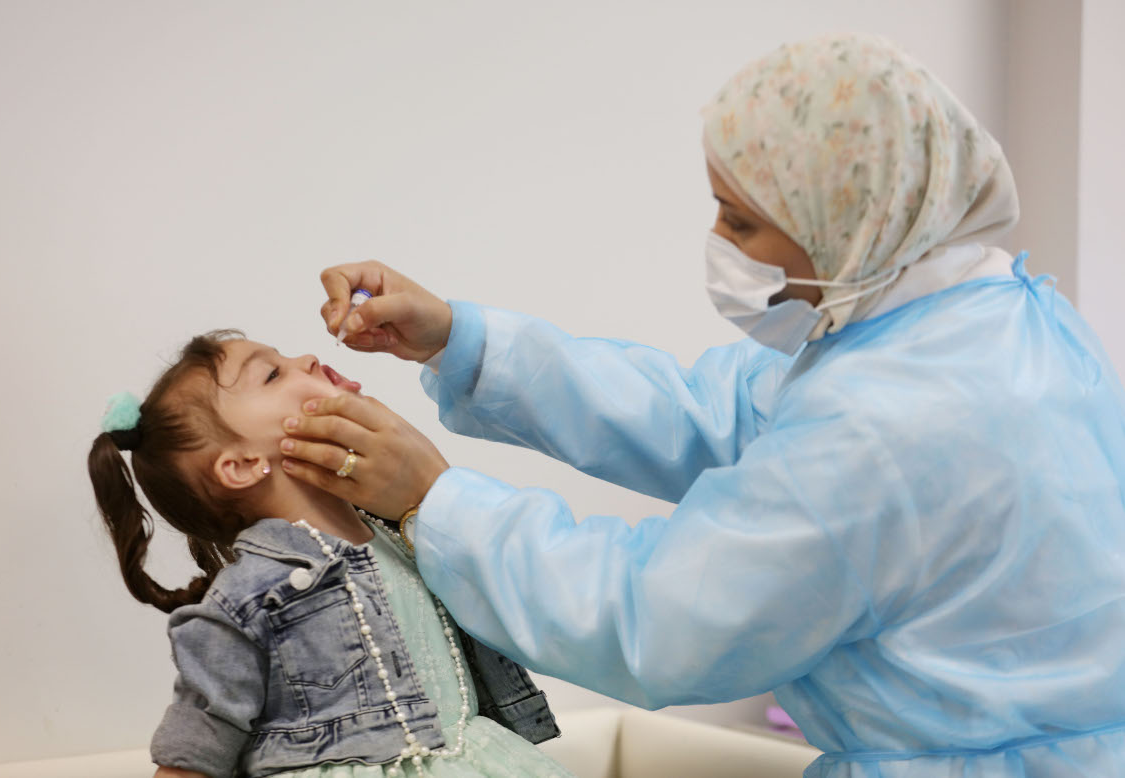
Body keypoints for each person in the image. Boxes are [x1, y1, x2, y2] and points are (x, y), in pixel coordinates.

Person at [279, 33, 1125, 777]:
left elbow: (658, 620)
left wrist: (435, 499)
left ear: (848, 220)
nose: (721, 245)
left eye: (741, 220)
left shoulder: (885, 426)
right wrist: (463, 341)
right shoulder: (987, 318)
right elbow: (710, 414)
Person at [86, 330, 571, 778]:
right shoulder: (251, 599)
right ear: (242, 464)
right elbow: (195, 747)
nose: (308, 358)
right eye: (272, 373)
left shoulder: (409, 532)